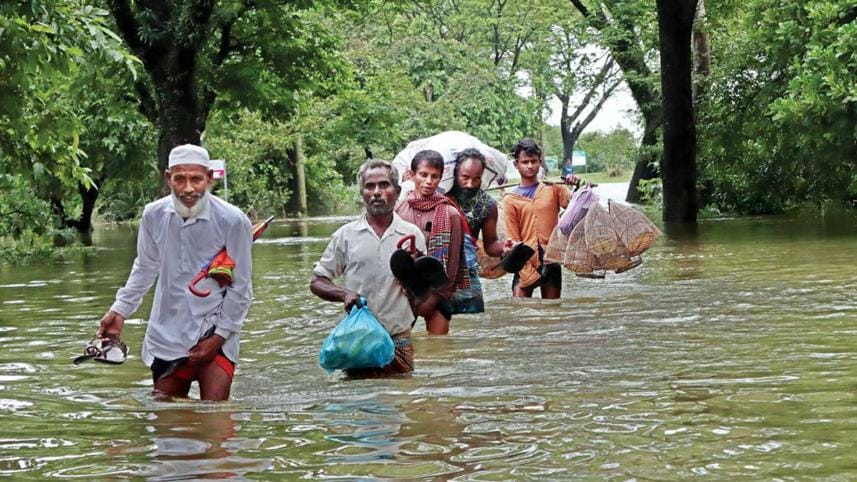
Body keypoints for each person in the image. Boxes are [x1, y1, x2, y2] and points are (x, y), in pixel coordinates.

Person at [97, 144, 254, 401]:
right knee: (167, 425)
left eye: (196, 179)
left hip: (215, 331)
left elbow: (241, 287)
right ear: (168, 178)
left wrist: (219, 337)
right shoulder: (153, 215)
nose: (188, 189)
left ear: (209, 179)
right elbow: (145, 267)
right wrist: (119, 311)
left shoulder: (233, 220)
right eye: (180, 179)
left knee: (217, 425)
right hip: (167, 333)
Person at [310, 159, 426, 376]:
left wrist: (415, 276)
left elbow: (422, 298)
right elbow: (317, 281)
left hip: (399, 339)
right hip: (359, 341)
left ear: (397, 191)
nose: (376, 192)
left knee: (402, 400)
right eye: (369, 186)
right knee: (358, 402)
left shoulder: (412, 236)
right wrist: (343, 293)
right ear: (361, 193)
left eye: (384, 185)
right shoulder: (346, 235)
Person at [395, 150, 469, 335]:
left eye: (434, 176)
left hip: (438, 291)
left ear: (441, 178)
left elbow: (453, 266)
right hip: (404, 291)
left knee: (440, 349)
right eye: (423, 175)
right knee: (400, 346)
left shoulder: (451, 214)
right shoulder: (398, 210)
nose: (429, 181)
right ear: (412, 175)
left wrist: (432, 299)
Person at [502, 138, 579, 299]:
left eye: (534, 161)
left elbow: (575, 208)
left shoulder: (554, 187)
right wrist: (524, 269)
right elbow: (513, 238)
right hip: (524, 261)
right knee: (520, 310)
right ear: (516, 165)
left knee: (552, 312)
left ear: (540, 162)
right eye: (525, 162)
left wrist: (577, 187)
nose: (530, 166)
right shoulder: (510, 198)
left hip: (551, 258)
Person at [445, 148, 511, 313]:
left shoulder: (487, 204)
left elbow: (490, 245)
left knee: (474, 323)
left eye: (476, 179)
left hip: (468, 270)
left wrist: (504, 248)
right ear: (455, 173)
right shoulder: (440, 197)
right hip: (440, 272)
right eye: (465, 177)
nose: (470, 184)